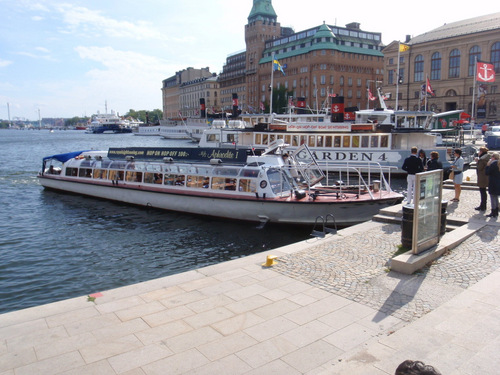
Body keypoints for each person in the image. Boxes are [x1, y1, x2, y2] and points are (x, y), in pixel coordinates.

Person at [475, 146, 490, 211]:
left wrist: (477, 161)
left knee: (482, 191)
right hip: (485, 177)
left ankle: (483, 206)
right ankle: (483, 205)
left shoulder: (482, 159)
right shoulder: (487, 158)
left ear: (482, 152)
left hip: (482, 177)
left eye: (479, 151)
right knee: (483, 192)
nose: (478, 153)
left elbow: (479, 168)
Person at [485, 152, 500, 218]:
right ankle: (496, 211)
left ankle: (493, 211)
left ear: (493, 157)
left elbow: (487, 172)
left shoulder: (493, 164)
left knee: (493, 197)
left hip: (493, 183)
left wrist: (488, 165)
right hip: (498, 182)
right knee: (496, 197)